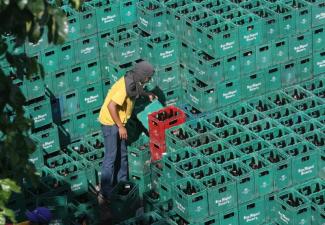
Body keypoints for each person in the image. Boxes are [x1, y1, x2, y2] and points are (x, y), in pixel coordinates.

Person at [98, 60, 156, 199]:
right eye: (148, 77)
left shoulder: (133, 80)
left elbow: (137, 89)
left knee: (122, 154)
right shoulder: (124, 87)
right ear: (142, 75)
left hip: (119, 122)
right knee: (111, 157)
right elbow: (111, 106)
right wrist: (120, 126)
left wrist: (146, 95)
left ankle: (122, 183)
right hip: (111, 123)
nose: (149, 80)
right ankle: (105, 191)